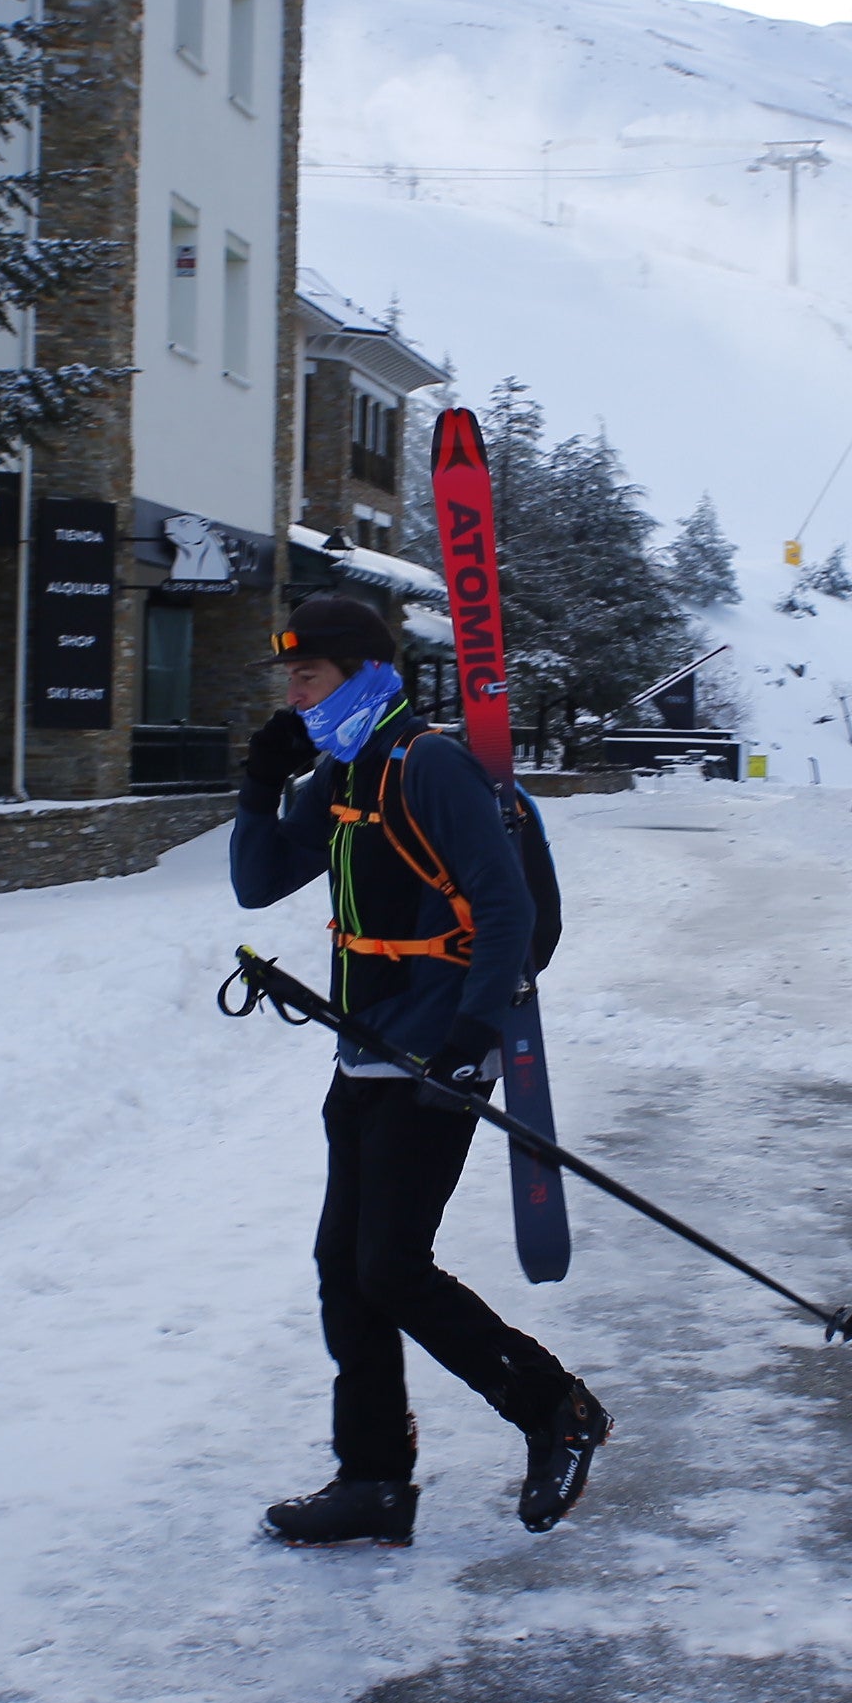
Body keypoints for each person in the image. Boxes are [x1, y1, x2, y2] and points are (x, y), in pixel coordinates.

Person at [231, 593, 610, 1547]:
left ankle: (553, 1406)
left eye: (306, 674)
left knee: (390, 1267)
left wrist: (471, 1035)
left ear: (361, 673)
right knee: (343, 1270)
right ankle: (373, 1480)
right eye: (288, 677)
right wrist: (258, 787)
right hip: (365, 1050)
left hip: (435, 1050)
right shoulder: (344, 769)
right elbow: (256, 880)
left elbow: (505, 906)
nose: (293, 690)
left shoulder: (426, 762)